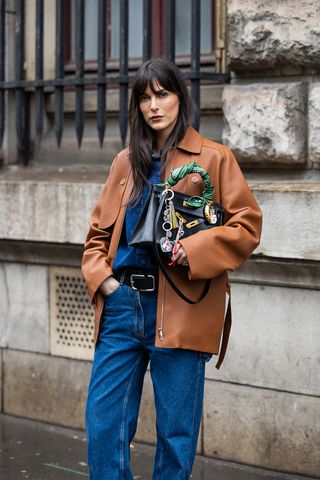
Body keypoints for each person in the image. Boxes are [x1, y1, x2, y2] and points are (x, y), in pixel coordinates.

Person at [81, 58, 262, 480]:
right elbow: (95, 239)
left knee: (176, 435)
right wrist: (106, 284)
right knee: (103, 426)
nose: (153, 106)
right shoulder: (126, 163)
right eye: (144, 98)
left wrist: (195, 250)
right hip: (123, 306)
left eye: (162, 94)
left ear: (181, 97)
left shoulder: (214, 158)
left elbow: (247, 225)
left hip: (181, 308)